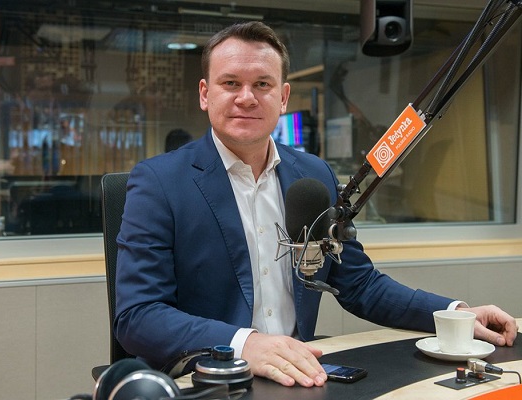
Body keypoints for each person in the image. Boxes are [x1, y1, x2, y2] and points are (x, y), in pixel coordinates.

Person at [114, 21, 518, 388]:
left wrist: (455, 313)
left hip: (299, 378)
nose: (246, 98)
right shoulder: (159, 182)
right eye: (230, 83)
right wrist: (245, 344)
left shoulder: (313, 176)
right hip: (210, 378)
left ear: (283, 97)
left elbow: (359, 284)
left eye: (263, 84)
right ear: (206, 94)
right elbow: (138, 316)